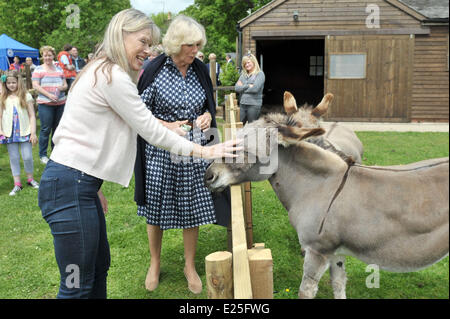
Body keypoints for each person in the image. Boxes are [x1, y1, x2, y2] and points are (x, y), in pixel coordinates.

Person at [37, 8, 240, 299]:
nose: (147, 50)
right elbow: (152, 130)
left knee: (96, 270)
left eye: (150, 44)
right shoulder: (112, 76)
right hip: (72, 184)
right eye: (143, 41)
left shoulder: (101, 69)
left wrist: (93, 187)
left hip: (80, 184)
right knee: (76, 285)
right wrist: (208, 150)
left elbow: (76, 131)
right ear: (121, 34)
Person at [135, 15, 230, 295]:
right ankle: (155, 263)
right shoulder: (154, 69)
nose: (196, 51)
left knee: (191, 206)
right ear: (177, 44)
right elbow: (140, 113)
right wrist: (168, 126)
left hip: (194, 150)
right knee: (156, 208)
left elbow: (209, 105)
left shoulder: (200, 68)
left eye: (198, 45)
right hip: (161, 149)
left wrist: (205, 117)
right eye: (191, 45)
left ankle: (189, 265)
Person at [0, 71, 39, 195]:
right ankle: (17, 184)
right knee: (14, 157)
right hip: (9, 133)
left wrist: (33, 132)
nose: (11, 85)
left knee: (27, 157)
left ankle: (30, 179)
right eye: (8, 83)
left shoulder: (26, 96)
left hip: (25, 131)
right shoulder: (3, 97)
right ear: (5, 84)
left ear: (18, 82)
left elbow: (32, 115)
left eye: (13, 82)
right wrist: (1, 131)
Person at [32, 45, 67, 165]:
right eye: (45, 55)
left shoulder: (59, 69)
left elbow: (65, 85)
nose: (47, 57)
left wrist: (62, 87)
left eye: (49, 55)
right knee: (45, 129)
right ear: (42, 56)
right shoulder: (38, 69)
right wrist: (49, 95)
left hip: (60, 103)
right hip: (45, 104)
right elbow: (36, 85)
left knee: (57, 129)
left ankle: (55, 153)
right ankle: (43, 154)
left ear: (53, 56)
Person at [235, 53, 265, 124]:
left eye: (248, 62)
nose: (246, 65)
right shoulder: (243, 75)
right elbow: (236, 88)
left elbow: (255, 89)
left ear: (254, 62)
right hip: (242, 104)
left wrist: (242, 87)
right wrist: (248, 86)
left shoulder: (260, 74)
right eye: (245, 64)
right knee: (239, 126)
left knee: (252, 128)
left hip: (254, 105)